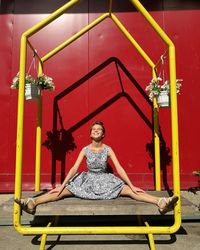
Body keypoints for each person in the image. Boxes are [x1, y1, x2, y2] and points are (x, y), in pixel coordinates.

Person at [15, 120, 178, 215]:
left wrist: (132, 184)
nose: (96, 131)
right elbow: (73, 168)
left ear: (103, 134)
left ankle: (161, 202)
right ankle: (32, 203)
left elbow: (120, 168)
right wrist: (62, 184)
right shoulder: (85, 149)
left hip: (105, 179)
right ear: (90, 134)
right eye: (93, 129)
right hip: (87, 179)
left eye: (99, 129)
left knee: (130, 191)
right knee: (61, 192)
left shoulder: (108, 149)